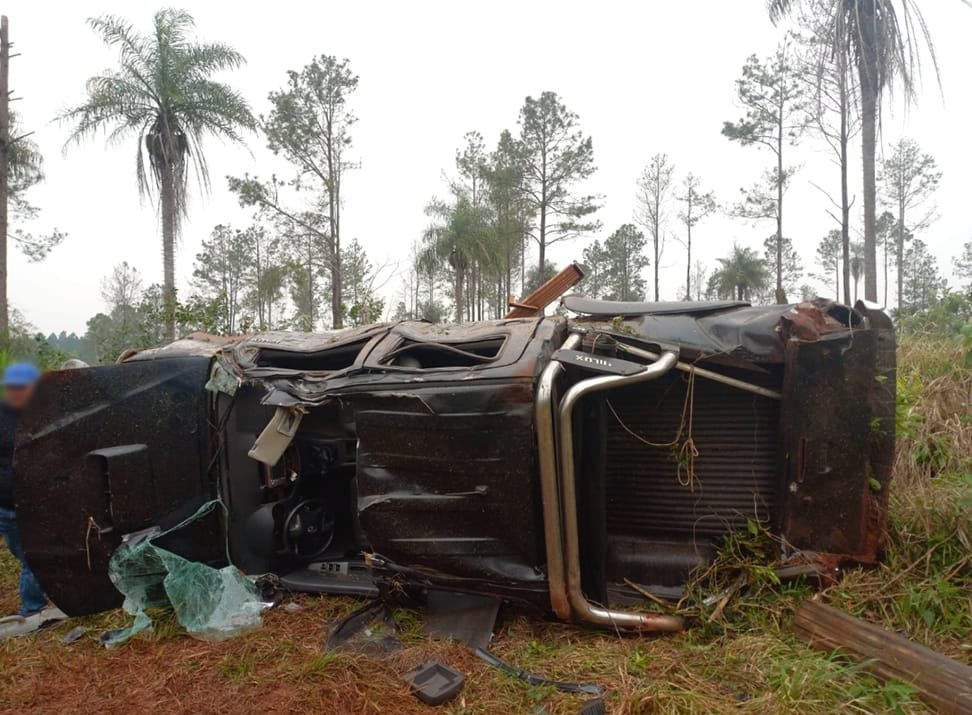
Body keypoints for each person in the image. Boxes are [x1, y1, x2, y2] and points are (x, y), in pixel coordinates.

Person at [0, 362, 47, 617]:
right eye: (12, 387)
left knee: (32, 556)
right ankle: (32, 610)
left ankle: (34, 606)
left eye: (22, 387)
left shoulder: (40, 416)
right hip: (8, 505)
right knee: (32, 558)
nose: (16, 392)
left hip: (31, 503)